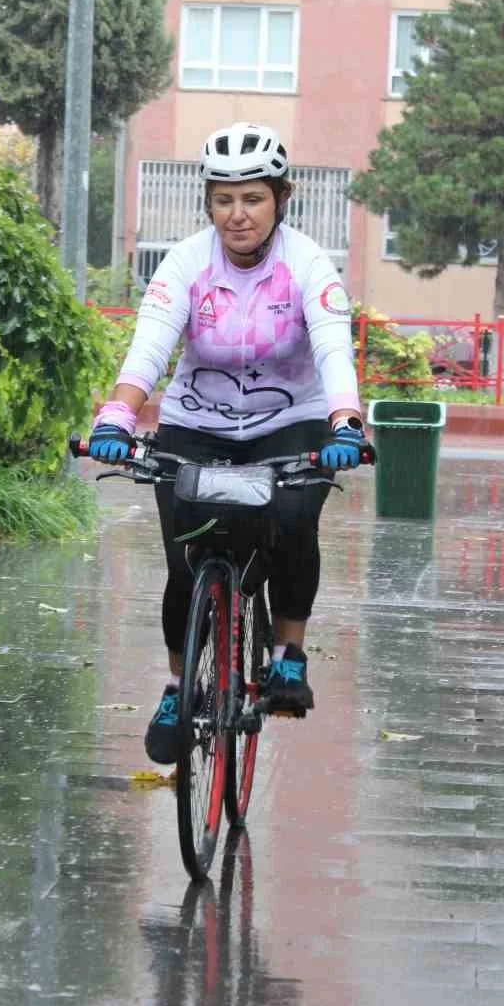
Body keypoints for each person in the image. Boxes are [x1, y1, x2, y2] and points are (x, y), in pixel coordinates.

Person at [85, 122, 370, 765]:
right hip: (196, 423)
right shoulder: (186, 263)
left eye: (253, 198)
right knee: (184, 559)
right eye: (223, 199)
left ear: (281, 199)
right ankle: (177, 686)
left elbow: (332, 348)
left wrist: (345, 423)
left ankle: (288, 653)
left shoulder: (307, 264)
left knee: (293, 522)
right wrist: (117, 418)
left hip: (291, 422)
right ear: (209, 204)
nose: (237, 214)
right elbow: (150, 346)